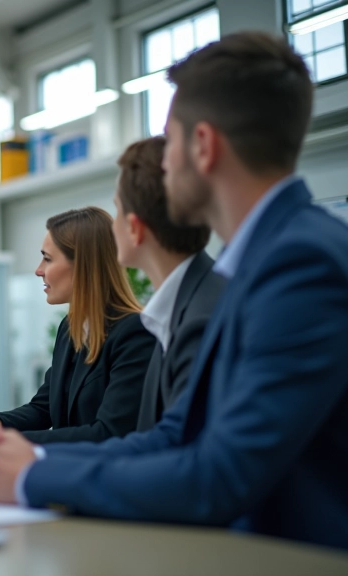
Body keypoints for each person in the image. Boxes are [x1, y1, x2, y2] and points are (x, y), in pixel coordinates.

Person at [0, 32, 348, 556]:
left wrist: (30, 478)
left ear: (202, 146)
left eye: (169, 141)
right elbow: (175, 434)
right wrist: (30, 461)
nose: (163, 162)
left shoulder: (301, 264)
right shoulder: (261, 260)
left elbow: (220, 475)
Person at [0, 207, 156, 444]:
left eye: (47, 258)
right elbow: (43, 409)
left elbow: (108, 433)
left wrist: (4, 442)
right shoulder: (71, 327)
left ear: (83, 265)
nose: (39, 270)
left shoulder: (135, 332)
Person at [111, 136, 226, 431]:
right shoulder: (193, 299)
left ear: (135, 229)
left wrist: (33, 463)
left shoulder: (201, 320)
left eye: (116, 210)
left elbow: (179, 451)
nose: (113, 224)